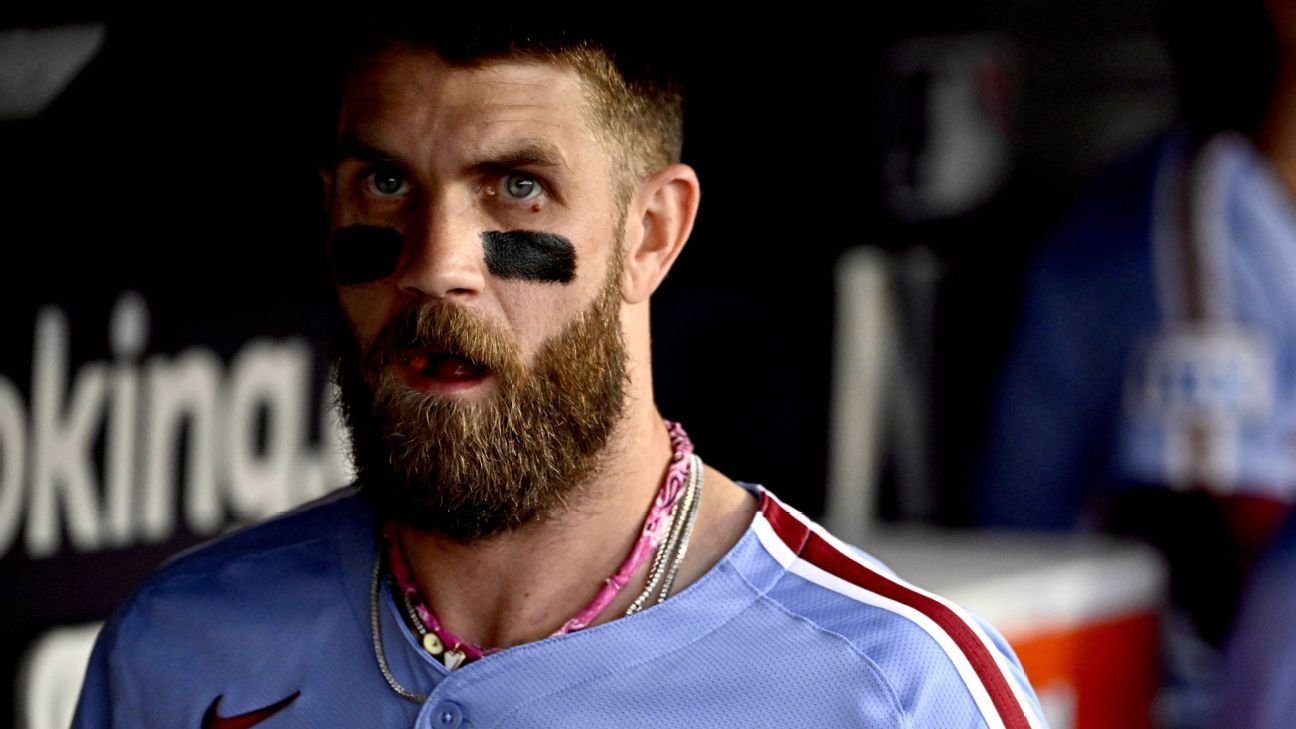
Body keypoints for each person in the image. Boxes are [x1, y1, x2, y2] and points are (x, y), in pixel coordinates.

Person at [72, 23, 1047, 728]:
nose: (435, 264)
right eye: (386, 184)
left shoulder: (893, 694)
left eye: (518, 188)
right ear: (330, 209)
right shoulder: (180, 645)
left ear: (650, 233)